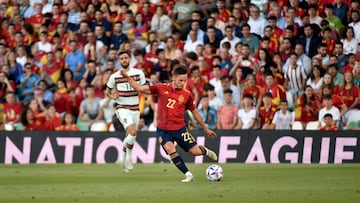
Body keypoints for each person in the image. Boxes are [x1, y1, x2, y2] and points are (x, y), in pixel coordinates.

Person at [120, 65, 217, 182]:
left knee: (195, 152)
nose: (183, 83)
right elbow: (140, 89)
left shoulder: (187, 95)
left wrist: (206, 129)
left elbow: (195, 113)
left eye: (185, 81)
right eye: (181, 80)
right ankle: (188, 174)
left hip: (180, 129)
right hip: (163, 129)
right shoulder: (161, 88)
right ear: (173, 78)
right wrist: (127, 77)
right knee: (170, 149)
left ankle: (205, 151)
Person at [105, 50, 146, 172]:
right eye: (121, 58)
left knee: (130, 135)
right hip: (122, 108)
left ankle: (122, 160)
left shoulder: (138, 73)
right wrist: (113, 96)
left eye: (126, 58)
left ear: (130, 59)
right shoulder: (114, 76)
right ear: (119, 61)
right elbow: (107, 91)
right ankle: (129, 157)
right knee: (132, 131)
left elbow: (143, 89)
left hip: (135, 108)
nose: (124, 60)